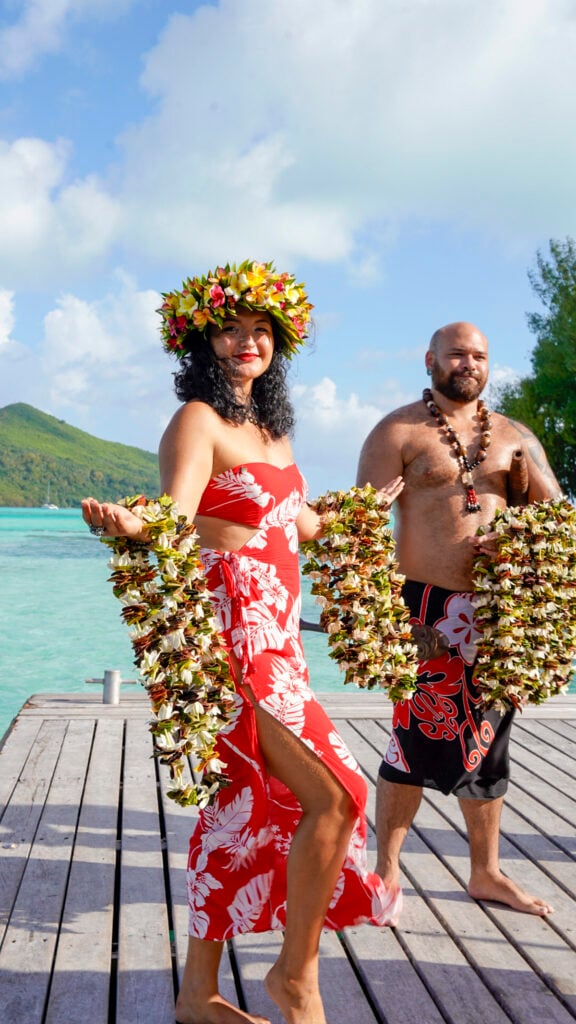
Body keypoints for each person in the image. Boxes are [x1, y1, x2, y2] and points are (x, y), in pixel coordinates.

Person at [82, 261, 403, 1024]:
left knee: (243, 809)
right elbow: (174, 513)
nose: (247, 341)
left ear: (276, 345)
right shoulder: (198, 420)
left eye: (261, 331)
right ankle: (296, 977)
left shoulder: (273, 431)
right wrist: (133, 524)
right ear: (205, 340)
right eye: (232, 328)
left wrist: (362, 509)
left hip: (281, 643)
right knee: (340, 793)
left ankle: (198, 996)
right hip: (233, 642)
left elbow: (296, 523)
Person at [356, 320, 562, 919]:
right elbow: (359, 526)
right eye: (456, 353)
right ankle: (386, 873)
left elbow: (558, 521)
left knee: (490, 745)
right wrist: (376, 615)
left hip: (498, 615)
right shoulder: (396, 431)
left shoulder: (515, 437)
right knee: (409, 743)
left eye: (479, 355)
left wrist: (521, 535)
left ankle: (486, 873)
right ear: (430, 360)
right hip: (424, 609)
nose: (467, 363)